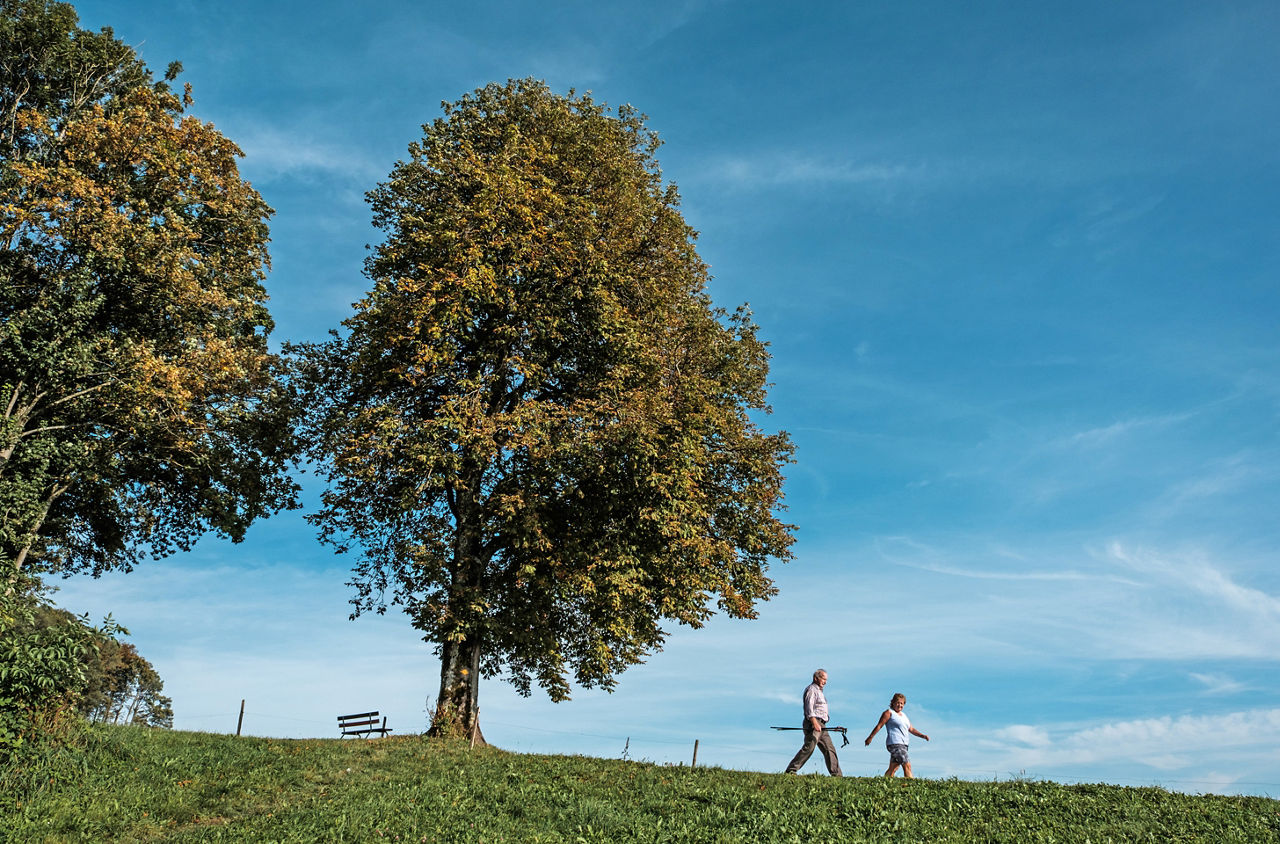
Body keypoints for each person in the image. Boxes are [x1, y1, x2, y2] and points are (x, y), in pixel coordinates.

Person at [784, 669, 842, 776]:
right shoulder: (811, 690)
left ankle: (837, 775)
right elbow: (808, 708)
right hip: (813, 723)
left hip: (822, 724)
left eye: (826, 679)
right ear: (816, 678)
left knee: (830, 749)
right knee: (809, 747)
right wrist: (814, 722)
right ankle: (791, 770)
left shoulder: (819, 692)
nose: (825, 682)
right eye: (823, 679)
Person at [864, 692, 929, 778]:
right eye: (898, 702)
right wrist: (870, 737)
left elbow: (911, 729)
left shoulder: (904, 716)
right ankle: (911, 786)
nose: (900, 705)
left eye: (902, 703)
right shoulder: (889, 713)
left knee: (893, 768)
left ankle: (885, 782)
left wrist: (923, 736)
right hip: (895, 743)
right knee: (907, 765)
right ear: (893, 703)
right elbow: (879, 726)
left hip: (904, 744)